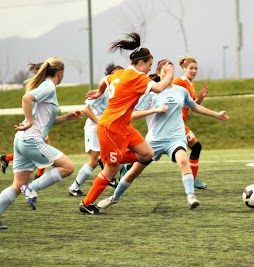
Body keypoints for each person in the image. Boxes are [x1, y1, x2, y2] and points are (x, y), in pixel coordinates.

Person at [97, 59, 229, 210]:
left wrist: (217, 114)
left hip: (176, 138)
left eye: (171, 69)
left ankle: (191, 196)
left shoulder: (181, 91)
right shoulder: (151, 93)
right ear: (159, 74)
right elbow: (133, 113)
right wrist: (154, 110)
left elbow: (195, 107)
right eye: (166, 70)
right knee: (133, 172)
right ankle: (114, 198)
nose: (170, 73)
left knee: (183, 161)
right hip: (155, 141)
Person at [79, 32, 174, 214]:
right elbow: (159, 88)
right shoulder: (136, 77)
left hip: (124, 127)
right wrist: (169, 74)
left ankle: (108, 157)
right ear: (140, 63)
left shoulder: (120, 73)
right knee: (111, 171)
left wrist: (99, 93)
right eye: (149, 65)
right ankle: (86, 203)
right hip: (111, 127)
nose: (149, 69)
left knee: (147, 154)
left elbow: (104, 81)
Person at [0, 57, 83, 230]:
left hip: (22, 139)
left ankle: (25, 189)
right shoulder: (48, 86)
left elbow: (46, 120)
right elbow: (26, 99)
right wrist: (29, 122)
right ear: (60, 73)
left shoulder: (45, 87)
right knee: (67, 167)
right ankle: (31, 189)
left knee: (17, 185)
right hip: (31, 139)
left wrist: (67, 117)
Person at [68, 63, 125, 197]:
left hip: (106, 130)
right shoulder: (104, 90)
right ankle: (74, 187)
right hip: (94, 129)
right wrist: (100, 123)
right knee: (94, 160)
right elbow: (86, 109)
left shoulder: (118, 91)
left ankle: (110, 178)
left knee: (115, 156)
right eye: (116, 73)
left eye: (121, 73)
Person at [1, 63, 52, 179]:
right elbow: (27, 100)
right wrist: (30, 121)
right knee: (48, 153)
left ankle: (7, 158)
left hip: (37, 126)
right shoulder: (42, 87)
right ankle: (39, 176)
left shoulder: (40, 86)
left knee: (43, 152)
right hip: (36, 127)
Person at [172, 55, 209, 189]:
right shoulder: (179, 82)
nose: (193, 71)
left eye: (196, 69)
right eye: (191, 68)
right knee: (148, 155)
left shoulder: (190, 84)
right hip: (174, 124)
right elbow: (166, 90)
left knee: (196, 147)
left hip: (181, 125)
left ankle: (192, 179)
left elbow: (193, 106)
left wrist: (201, 97)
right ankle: (127, 165)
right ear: (184, 68)